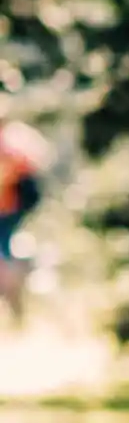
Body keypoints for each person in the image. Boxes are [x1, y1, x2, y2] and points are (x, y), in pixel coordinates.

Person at [0, 119, 47, 328]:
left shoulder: (8, 144)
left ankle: (12, 295)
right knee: (6, 249)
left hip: (8, 207)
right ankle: (15, 303)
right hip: (14, 206)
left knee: (4, 252)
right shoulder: (18, 136)